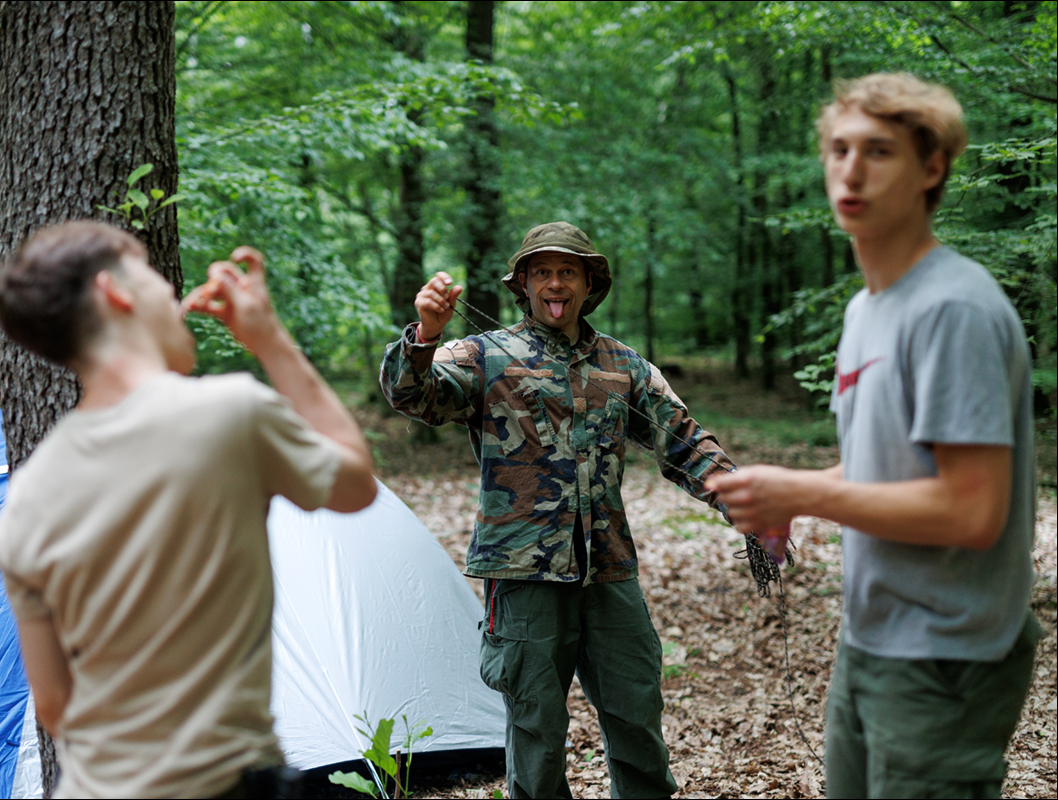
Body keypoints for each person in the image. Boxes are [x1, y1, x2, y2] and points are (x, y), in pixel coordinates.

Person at [707, 74, 1042, 799]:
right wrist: (786, 496)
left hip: (947, 654)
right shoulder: (867, 309)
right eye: (839, 149)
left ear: (932, 168)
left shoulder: (953, 308)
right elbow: (883, 466)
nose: (851, 170)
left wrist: (802, 491)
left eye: (879, 151)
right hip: (871, 639)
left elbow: (973, 511)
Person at [0, 220, 377, 799]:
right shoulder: (229, 414)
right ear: (116, 291)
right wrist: (269, 339)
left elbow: (51, 702)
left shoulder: (25, 499)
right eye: (152, 274)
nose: (175, 293)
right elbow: (355, 484)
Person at [380, 221, 737, 799]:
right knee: (536, 731)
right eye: (541, 272)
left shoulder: (625, 365)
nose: (555, 283)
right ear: (522, 284)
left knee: (636, 714)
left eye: (568, 271)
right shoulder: (481, 355)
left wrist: (740, 497)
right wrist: (425, 334)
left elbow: (684, 441)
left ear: (588, 283)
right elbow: (412, 395)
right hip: (523, 575)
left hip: (608, 570)